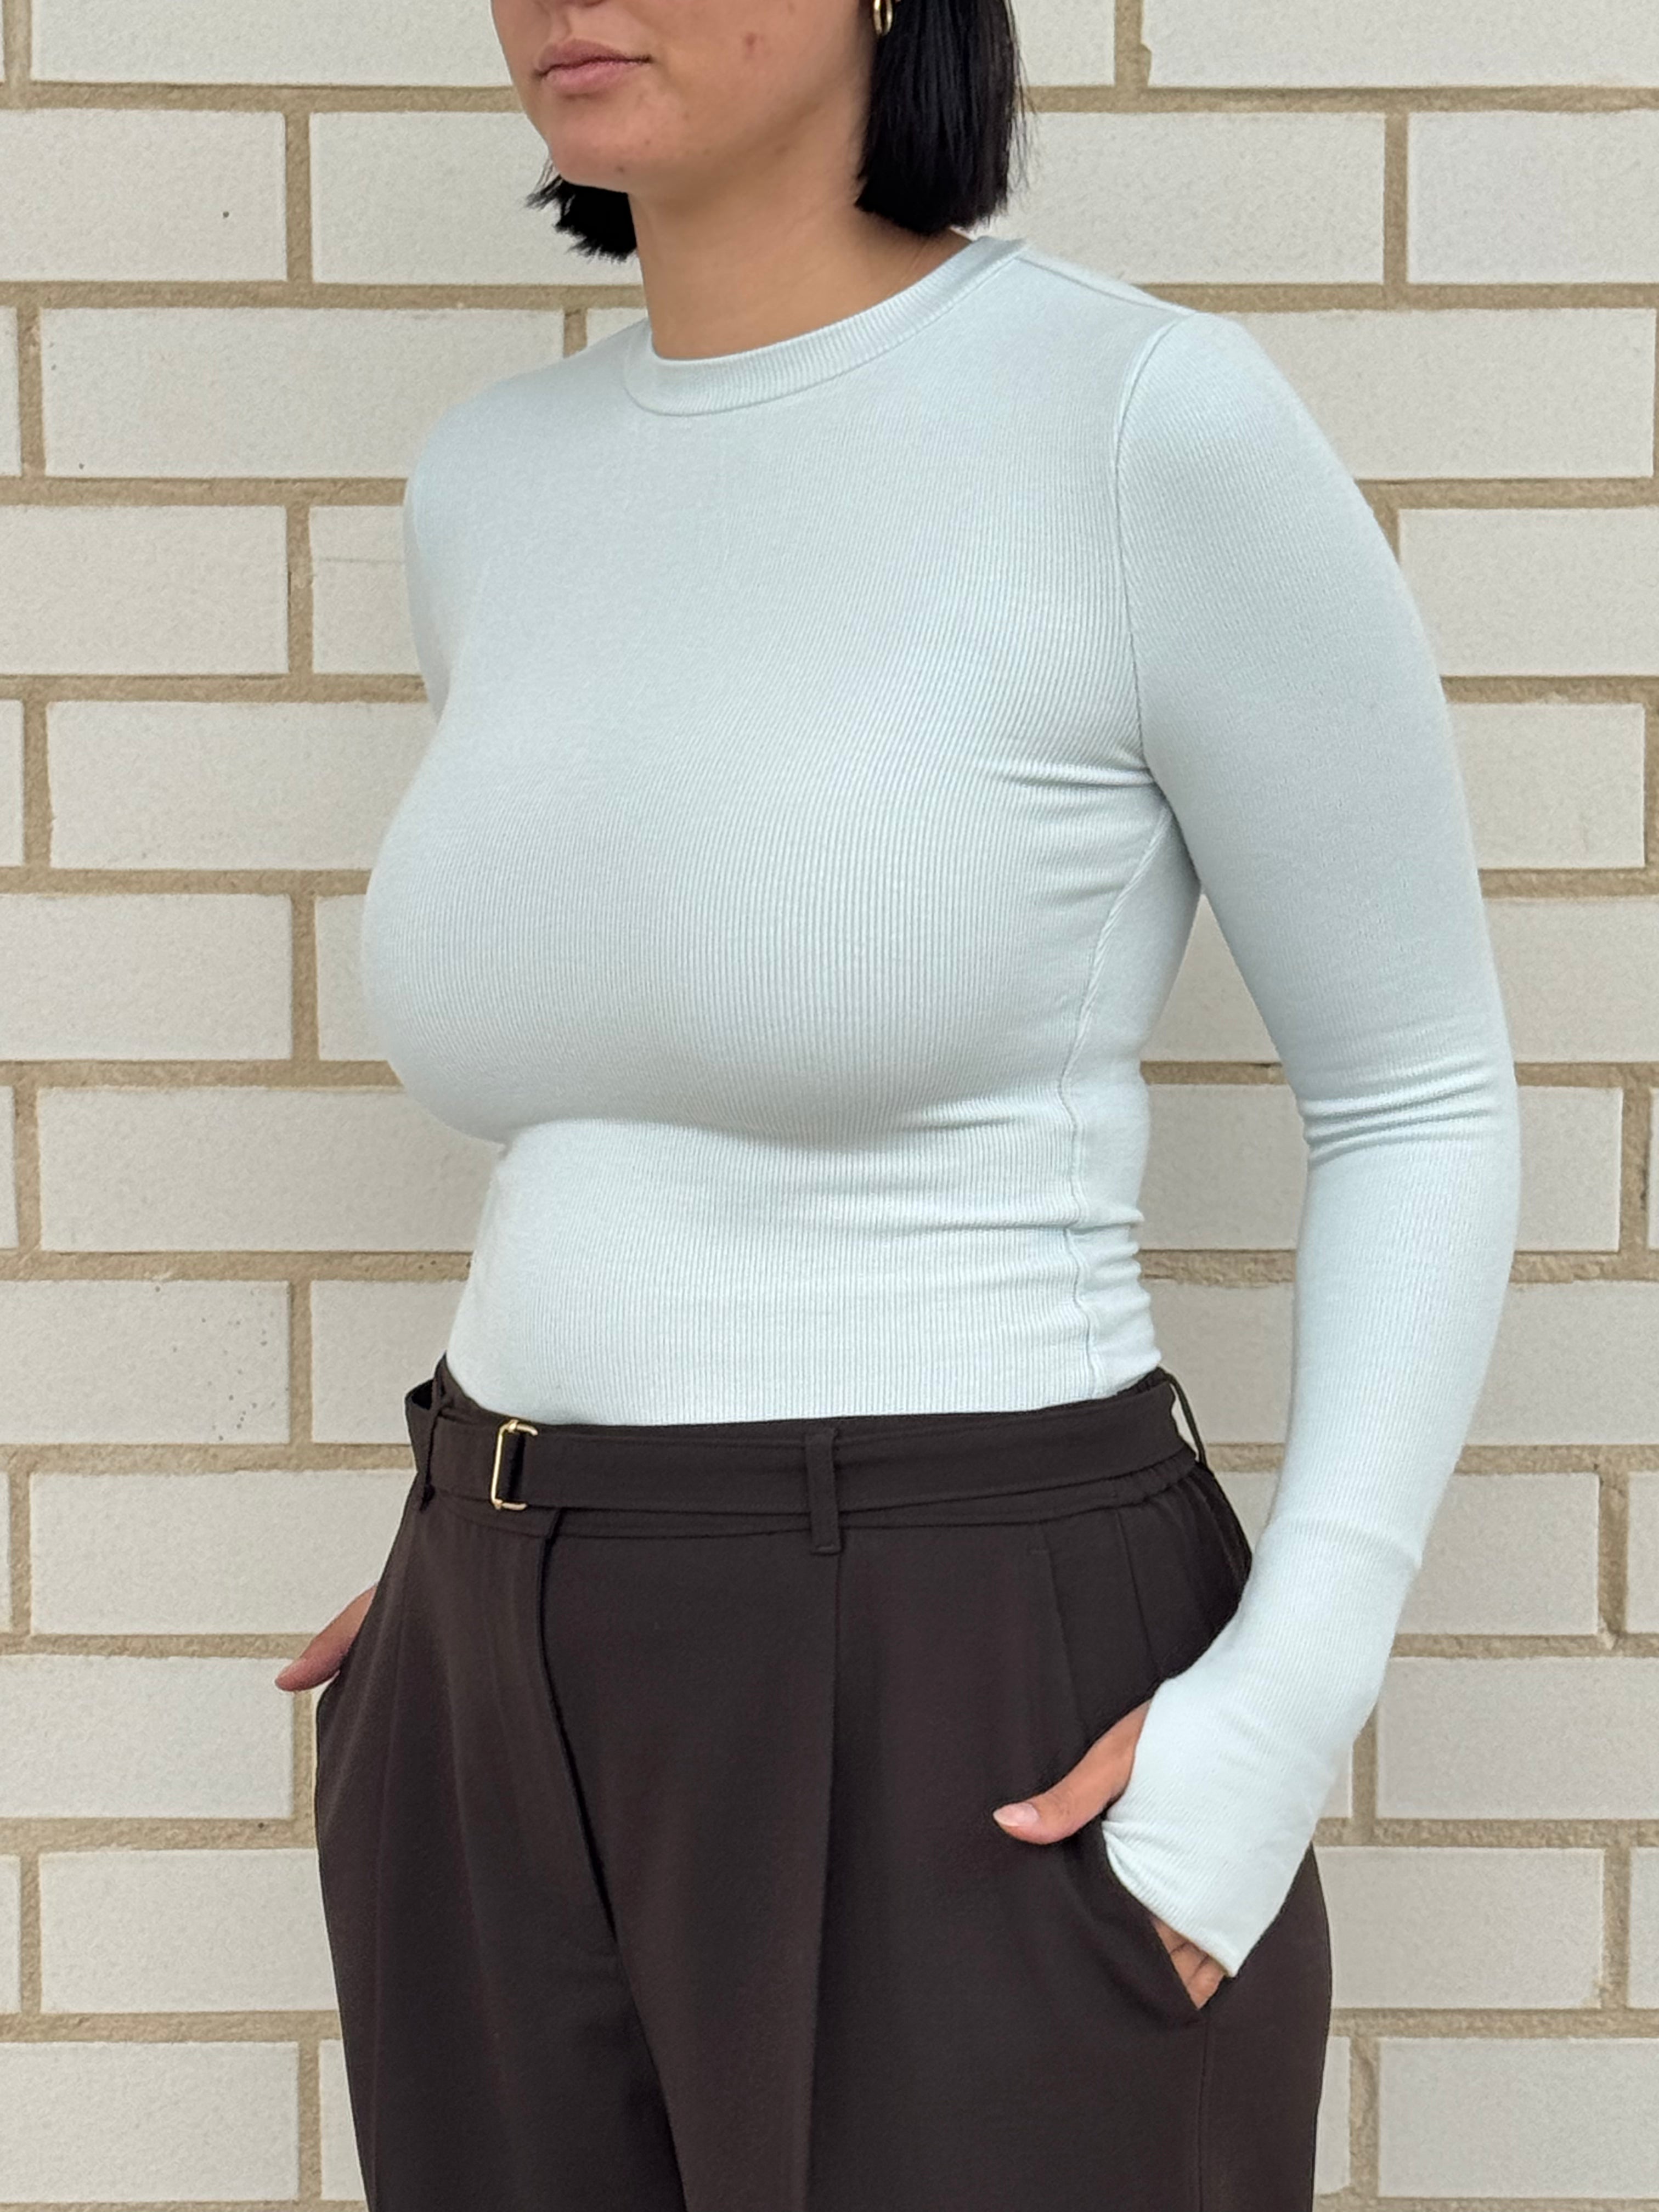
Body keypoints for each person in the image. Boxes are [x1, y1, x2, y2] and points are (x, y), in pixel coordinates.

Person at [274, 0, 1522, 2204]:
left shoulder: (1137, 421)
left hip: (958, 1667)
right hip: (487, 1659)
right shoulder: (490, 481)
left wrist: (1279, 1713)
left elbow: (1415, 1090)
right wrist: (500, 1583)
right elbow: (619, 1071)